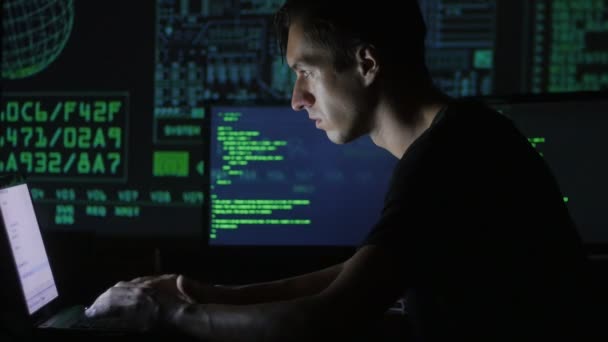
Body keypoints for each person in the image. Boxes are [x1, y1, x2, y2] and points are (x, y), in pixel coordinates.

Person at [85, 0, 592, 340]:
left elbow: (330, 314)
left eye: (305, 72)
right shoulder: (461, 136)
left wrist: (171, 313)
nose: (296, 99)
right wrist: (216, 294)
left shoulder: (449, 158)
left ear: (367, 64)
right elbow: (362, 274)